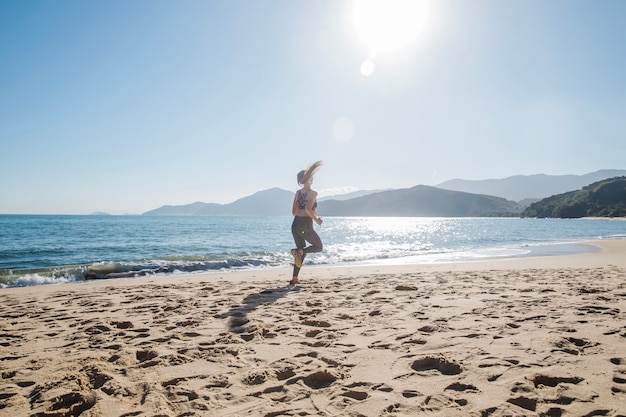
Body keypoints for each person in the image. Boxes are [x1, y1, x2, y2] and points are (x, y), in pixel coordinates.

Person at [290, 161, 323, 285]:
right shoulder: (313, 193)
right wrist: (317, 220)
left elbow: (294, 212)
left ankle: (294, 278)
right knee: (318, 247)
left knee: (300, 251)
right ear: (308, 179)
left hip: (295, 224)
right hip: (305, 224)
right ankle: (300, 253)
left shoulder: (298, 193)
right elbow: (308, 210)